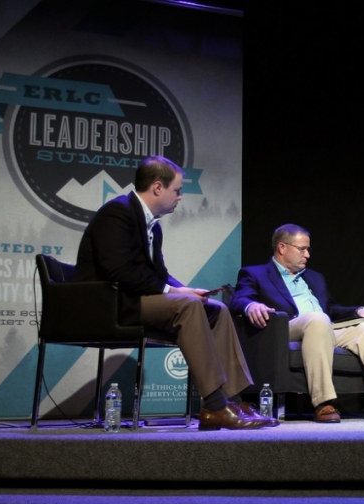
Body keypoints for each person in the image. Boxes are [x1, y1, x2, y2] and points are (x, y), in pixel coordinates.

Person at [75, 156, 273, 430]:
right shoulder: (117, 213)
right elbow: (118, 271)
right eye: (177, 190)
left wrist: (184, 289)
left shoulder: (152, 224)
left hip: (135, 300)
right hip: (111, 303)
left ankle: (232, 401)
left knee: (216, 309)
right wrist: (176, 294)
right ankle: (214, 406)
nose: (180, 197)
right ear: (157, 187)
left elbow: (158, 274)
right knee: (188, 307)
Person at [229, 224, 364, 423]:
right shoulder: (255, 274)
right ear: (282, 247)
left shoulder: (314, 277)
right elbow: (238, 300)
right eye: (302, 249)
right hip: (284, 329)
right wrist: (251, 305)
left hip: (322, 327)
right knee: (318, 319)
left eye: (308, 249)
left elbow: (330, 309)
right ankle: (323, 403)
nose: (307, 254)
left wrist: (358, 311)